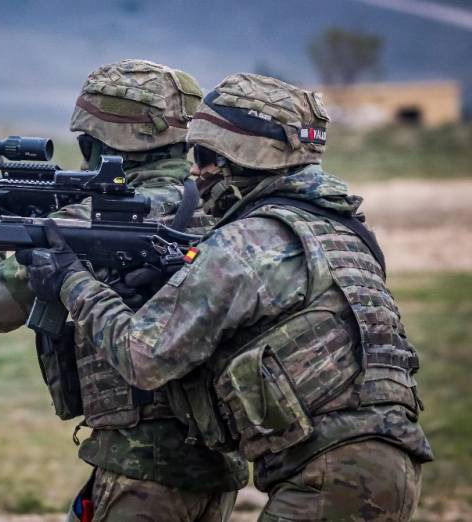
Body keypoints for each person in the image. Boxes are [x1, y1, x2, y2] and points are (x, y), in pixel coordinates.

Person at [22, 73, 433, 521]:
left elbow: (144, 358)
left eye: (204, 157)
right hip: (391, 466)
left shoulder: (245, 242)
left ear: (239, 159)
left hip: (329, 475)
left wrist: (71, 279)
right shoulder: (343, 231)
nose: (194, 172)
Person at [0, 60, 247, 521]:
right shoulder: (229, 209)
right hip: (218, 463)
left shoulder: (92, 220)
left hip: (140, 469)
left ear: (95, 141)